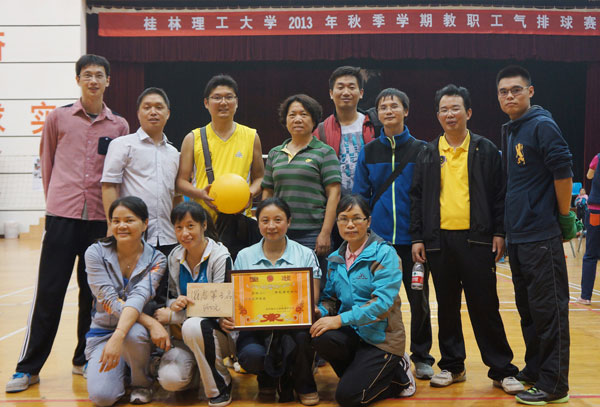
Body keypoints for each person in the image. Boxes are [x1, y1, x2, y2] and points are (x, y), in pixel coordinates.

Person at [6, 54, 129, 393]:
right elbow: (47, 162)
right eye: (87, 75)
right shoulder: (58, 118)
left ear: (108, 81)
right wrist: (56, 203)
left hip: (100, 224)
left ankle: (82, 359)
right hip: (62, 218)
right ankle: (27, 368)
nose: (93, 80)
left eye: (99, 75)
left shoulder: (119, 126)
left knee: (93, 295)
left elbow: (119, 176)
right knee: (49, 293)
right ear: (78, 80)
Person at [410, 84, 523, 395]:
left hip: (478, 242)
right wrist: (417, 237)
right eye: (444, 109)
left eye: (455, 108)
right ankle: (452, 366)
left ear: (468, 112)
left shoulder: (486, 150)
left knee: (485, 306)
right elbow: (416, 197)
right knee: (446, 307)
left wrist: (499, 232)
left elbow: (499, 195)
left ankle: (502, 369)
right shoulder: (427, 152)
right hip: (438, 242)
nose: (450, 114)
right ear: (437, 115)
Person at [496, 65, 575, 405]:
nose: (509, 96)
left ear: (530, 91)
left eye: (516, 90)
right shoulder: (513, 129)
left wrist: (564, 216)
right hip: (519, 238)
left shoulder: (542, 125)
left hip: (542, 236)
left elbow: (563, 170)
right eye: (503, 92)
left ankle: (555, 384)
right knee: (529, 312)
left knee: (549, 313)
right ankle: (535, 369)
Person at [353, 88, 435, 379]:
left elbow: (429, 196)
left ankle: (422, 356)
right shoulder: (368, 152)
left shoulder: (422, 150)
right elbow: (360, 197)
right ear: (377, 114)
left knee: (419, 301)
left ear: (406, 111)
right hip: (379, 244)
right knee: (376, 300)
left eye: (394, 106)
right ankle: (377, 352)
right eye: (383, 107)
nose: (388, 111)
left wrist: (421, 236)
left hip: (414, 244)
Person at [311, 195, 415, 407]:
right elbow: (331, 299)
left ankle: (398, 376)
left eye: (357, 218)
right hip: (354, 334)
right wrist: (321, 311)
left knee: (348, 397)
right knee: (319, 335)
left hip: (382, 339)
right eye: (343, 219)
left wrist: (339, 320)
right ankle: (365, 375)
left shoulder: (385, 254)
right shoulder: (336, 258)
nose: (350, 224)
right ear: (337, 222)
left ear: (368, 221)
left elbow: (382, 304)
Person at [233, 198, 321, 406]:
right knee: (252, 354)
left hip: (294, 326)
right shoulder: (244, 256)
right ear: (257, 223)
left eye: (278, 220)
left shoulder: (305, 254)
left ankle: (303, 383)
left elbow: (312, 298)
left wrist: (310, 308)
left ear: (289, 221)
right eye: (265, 220)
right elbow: (238, 300)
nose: (271, 226)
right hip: (256, 327)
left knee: (301, 337)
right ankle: (268, 379)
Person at [102, 87, 181, 311]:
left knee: (163, 299)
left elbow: (176, 196)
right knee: (131, 297)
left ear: (168, 113)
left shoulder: (174, 154)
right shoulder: (122, 145)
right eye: (147, 107)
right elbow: (109, 186)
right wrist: (113, 226)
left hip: (167, 238)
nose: (153, 112)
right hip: (132, 237)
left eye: (159, 107)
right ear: (138, 113)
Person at [84, 196, 167, 406]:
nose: (121, 226)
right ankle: (125, 368)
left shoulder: (157, 259)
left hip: (135, 333)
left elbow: (139, 297)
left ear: (145, 223)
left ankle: (142, 383)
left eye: (129, 220)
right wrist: (151, 322)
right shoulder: (95, 253)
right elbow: (109, 301)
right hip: (103, 334)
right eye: (116, 221)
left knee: (134, 333)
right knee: (102, 398)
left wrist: (120, 334)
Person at [153, 201, 234, 407]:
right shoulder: (174, 256)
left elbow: (219, 305)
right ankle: (199, 370)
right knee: (170, 380)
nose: (185, 233)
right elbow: (171, 297)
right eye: (179, 227)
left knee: (193, 325)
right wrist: (175, 303)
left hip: (218, 334)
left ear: (203, 225)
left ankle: (220, 386)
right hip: (184, 337)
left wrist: (174, 315)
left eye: (190, 226)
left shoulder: (220, 256)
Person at [176, 74, 264, 260]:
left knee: (238, 272)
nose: (223, 102)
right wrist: (201, 194)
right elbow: (181, 182)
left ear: (236, 102)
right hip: (203, 223)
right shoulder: (193, 138)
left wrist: (248, 194)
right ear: (206, 103)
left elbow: (260, 177)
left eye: (229, 97)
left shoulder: (251, 136)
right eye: (217, 97)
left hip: (239, 223)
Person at [262, 94, 341, 269]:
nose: (297, 119)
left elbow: (334, 195)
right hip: (279, 232)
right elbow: (268, 191)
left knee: (313, 282)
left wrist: (325, 233)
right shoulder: (275, 153)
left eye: (304, 114)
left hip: (312, 232)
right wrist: (265, 225)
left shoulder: (325, 152)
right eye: (292, 115)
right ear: (285, 120)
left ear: (314, 120)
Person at [313, 66, 378, 195]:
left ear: (361, 93)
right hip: (335, 201)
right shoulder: (321, 131)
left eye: (352, 87)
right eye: (340, 87)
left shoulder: (374, 124)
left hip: (370, 199)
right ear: (331, 93)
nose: (346, 92)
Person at [578, 156, 600, 305]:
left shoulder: (598, 158)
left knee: (591, 255)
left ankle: (585, 296)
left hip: (596, 212)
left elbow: (589, 176)